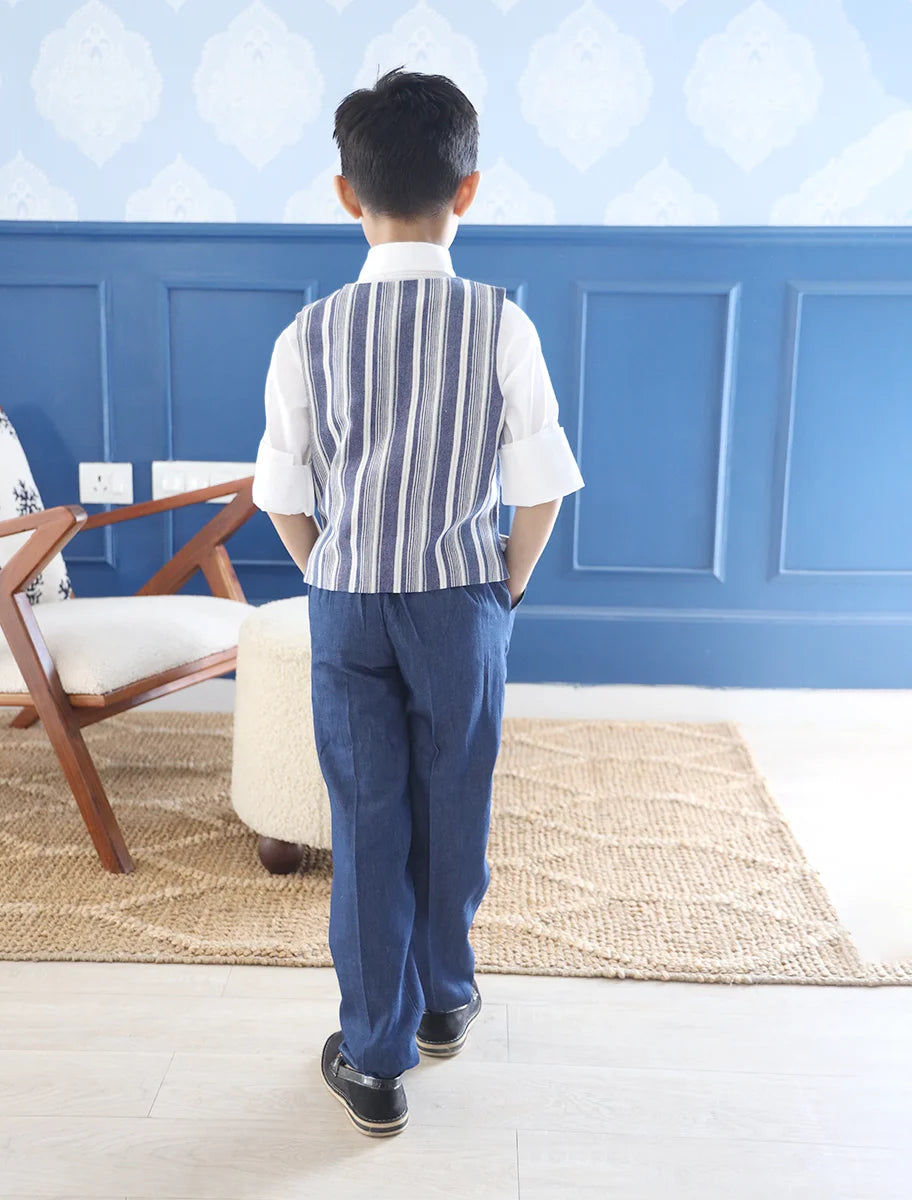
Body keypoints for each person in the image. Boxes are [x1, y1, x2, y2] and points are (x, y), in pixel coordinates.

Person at [251, 67, 583, 1137]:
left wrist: (327, 566)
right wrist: (505, 586)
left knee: (367, 823)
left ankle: (376, 1058)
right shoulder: (501, 324)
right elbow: (539, 487)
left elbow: (280, 494)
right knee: (455, 803)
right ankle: (445, 998)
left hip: (346, 601)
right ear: (468, 190)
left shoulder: (307, 335)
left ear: (346, 194)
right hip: (460, 604)